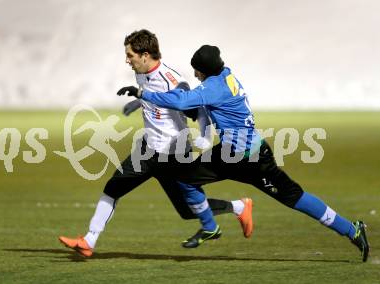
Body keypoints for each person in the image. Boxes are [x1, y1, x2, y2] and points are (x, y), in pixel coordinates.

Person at [118, 44, 370, 262]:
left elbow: (184, 102)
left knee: (292, 198)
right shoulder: (226, 76)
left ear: (204, 69)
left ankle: (351, 230)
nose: (194, 73)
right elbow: (191, 101)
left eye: (196, 69)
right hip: (241, 153)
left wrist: (143, 94)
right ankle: (209, 227)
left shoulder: (214, 87)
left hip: (244, 158)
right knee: (186, 178)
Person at [58, 31, 253, 257]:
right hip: (147, 150)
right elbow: (156, 99)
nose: (127, 60)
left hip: (174, 154)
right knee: (112, 189)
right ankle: (89, 241)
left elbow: (197, 110)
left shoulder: (173, 81)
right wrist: (139, 102)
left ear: (145, 55)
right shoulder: (141, 73)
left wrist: (204, 136)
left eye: (130, 55)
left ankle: (239, 207)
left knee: (187, 211)